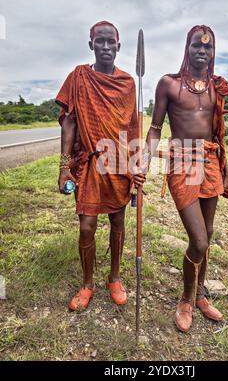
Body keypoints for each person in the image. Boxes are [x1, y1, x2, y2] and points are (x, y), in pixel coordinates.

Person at [133, 25, 228, 332]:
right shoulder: (169, 85)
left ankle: (201, 295)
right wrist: (144, 161)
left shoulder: (217, 88)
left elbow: (218, 133)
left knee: (209, 234)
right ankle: (187, 300)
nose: (202, 51)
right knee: (198, 240)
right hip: (183, 162)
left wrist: (227, 175)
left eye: (208, 47)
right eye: (196, 46)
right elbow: (154, 129)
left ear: (212, 52)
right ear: (186, 49)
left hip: (211, 161)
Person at [56, 21, 138, 311]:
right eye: (99, 41)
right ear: (91, 44)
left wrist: (137, 167)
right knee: (87, 225)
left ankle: (114, 277)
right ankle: (88, 282)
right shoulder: (78, 77)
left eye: (110, 42)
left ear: (119, 45)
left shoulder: (128, 83)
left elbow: (133, 126)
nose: (105, 46)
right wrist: (64, 166)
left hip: (118, 162)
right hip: (89, 162)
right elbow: (69, 122)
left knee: (118, 221)